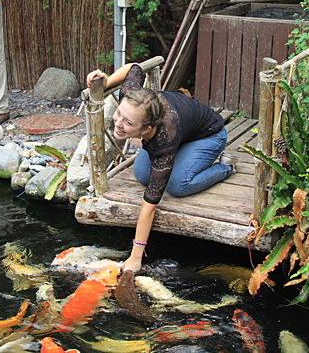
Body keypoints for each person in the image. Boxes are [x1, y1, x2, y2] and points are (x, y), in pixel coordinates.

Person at [86, 63, 237, 272]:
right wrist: (107, 82)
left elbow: (149, 205)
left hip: (209, 135)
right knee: (140, 174)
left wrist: (135, 256)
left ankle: (225, 168)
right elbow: (134, 67)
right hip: (183, 132)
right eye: (118, 113)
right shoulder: (132, 97)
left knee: (177, 185)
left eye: (128, 123)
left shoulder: (164, 140)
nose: (118, 123)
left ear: (147, 128)